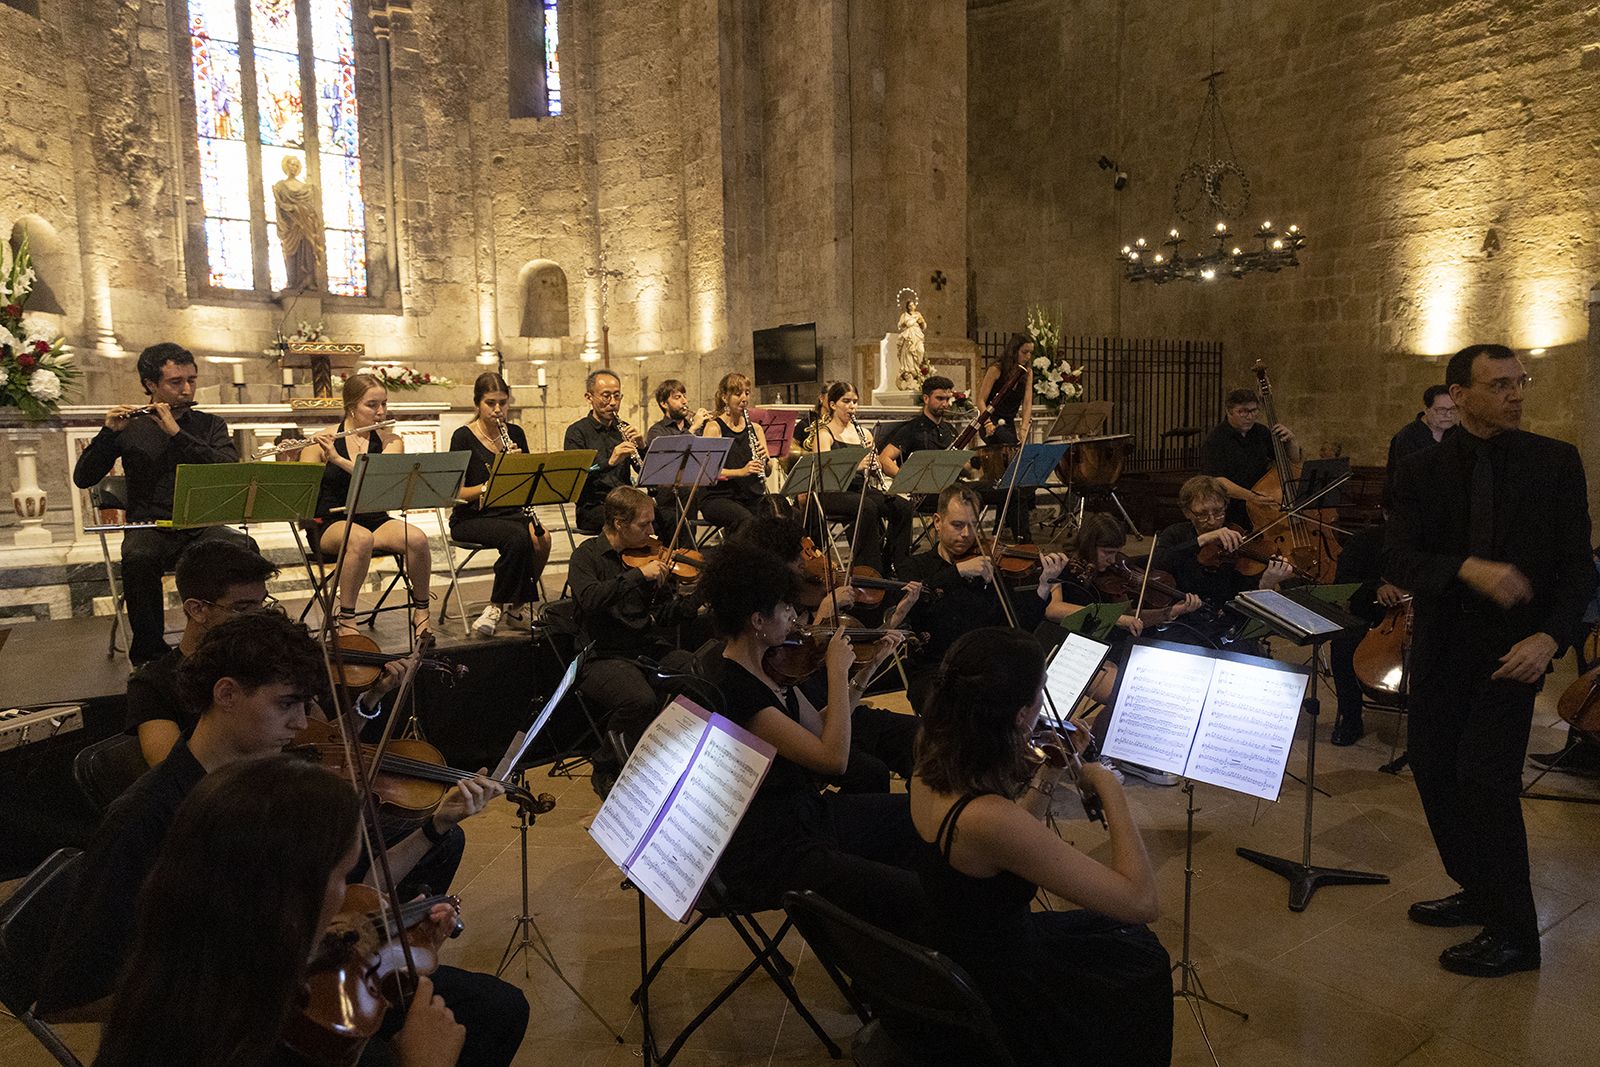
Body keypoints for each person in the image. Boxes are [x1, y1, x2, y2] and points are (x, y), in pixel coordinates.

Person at [38, 610, 525, 1067]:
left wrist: (432, 828)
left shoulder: (277, 781)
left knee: (499, 1007)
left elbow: (348, 894)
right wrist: (263, 980)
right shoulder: (146, 818)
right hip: (231, 1030)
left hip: (309, 983)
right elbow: (70, 999)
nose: (300, 722)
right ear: (226, 693)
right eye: (287, 703)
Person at [1384, 342, 1595, 978]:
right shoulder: (1420, 472)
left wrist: (1550, 639)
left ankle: (1515, 933)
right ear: (1461, 395)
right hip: (1445, 648)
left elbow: (1577, 566)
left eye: (1518, 382)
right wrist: (1466, 568)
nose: (1517, 394)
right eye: (1500, 384)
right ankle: (1477, 887)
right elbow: (1397, 560)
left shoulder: (1555, 462)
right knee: (1432, 767)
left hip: (1515, 654)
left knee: (1487, 782)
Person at [92, 757, 468, 1067]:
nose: (348, 896)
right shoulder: (247, 1043)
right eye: (341, 875)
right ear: (289, 892)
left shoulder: (189, 968)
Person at [909, 627, 1170, 1065]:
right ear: (1019, 716)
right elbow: (1141, 900)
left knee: (1120, 940)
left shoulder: (931, 751)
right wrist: (1109, 786)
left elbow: (1008, 843)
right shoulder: (987, 818)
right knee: (1139, 961)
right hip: (1002, 984)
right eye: (1040, 696)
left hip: (966, 942)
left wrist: (1048, 774)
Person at [695, 540, 924, 934]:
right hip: (775, 845)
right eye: (785, 608)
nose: (795, 616)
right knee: (905, 885)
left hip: (801, 817)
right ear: (757, 621)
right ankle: (885, 961)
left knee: (918, 818)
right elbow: (833, 760)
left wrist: (865, 672)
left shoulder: (764, 669)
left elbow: (819, 728)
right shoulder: (736, 690)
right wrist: (834, 673)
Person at [71, 342, 252, 666]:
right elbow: (83, 477)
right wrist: (108, 434)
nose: (186, 389)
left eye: (191, 380)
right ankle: (150, 656)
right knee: (139, 556)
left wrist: (176, 433)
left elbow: (228, 470)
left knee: (243, 546)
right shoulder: (130, 426)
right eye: (176, 382)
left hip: (201, 526)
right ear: (151, 385)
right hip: (150, 526)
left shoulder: (210, 425)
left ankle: (237, 641)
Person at [566, 486, 704, 791]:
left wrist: (697, 599)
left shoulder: (652, 557)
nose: (653, 532)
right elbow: (590, 598)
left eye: (652, 523)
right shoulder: (586, 556)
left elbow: (665, 615)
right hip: (602, 655)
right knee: (639, 699)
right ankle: (605, 764)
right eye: (644, 525)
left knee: (701, 673)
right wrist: (638, 576)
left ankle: (665, 749)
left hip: (646, 648)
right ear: (619, 523)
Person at [897, 485, 1069, 711]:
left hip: (984, 671)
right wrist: (957, 572)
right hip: (935, 672)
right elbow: (915, 600)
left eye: (973, 525)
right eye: (957, 525)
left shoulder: (988, 566)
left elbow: (1016, 627)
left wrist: (1044, 585)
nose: (967, 534)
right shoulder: (915, 566)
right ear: (937, 522)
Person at [300, 373, 437, 647]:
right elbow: (301, 495)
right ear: (351, 406)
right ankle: (347, 619)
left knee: (418, 538)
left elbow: (377, 478)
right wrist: (313, 454)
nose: (381, 411)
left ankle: (421, 611)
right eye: (372, 405)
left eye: (384, 404)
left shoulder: (390, 441)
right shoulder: (321, 441)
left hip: (375, 518)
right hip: (330, 522)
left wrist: (337, 459)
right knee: (360, 538)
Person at [125, 539, 278, 767]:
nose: (258, 618)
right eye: (242, 608)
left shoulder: (266, 662)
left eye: (262, 604)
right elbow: (172, 774)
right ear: (197, 609)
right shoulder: (152, 685)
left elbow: (316, 730)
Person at [449, 373, 553, 637]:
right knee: (518, 538)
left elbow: (529, 483)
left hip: (510, 512)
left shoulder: (515, 433)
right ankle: (495, 606)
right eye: (490, 403)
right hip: (471, 516)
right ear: (477, 405)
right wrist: (492, 481)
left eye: (503, 403)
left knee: (543, 539)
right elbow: (454, 492)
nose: (498, 410)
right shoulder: (462, 437)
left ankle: (517, 608)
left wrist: (518, 467)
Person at [808, 381, 913, 576]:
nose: (852, 406)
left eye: (855, 402)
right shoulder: (824, 434)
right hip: (832, 492)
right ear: (832, 404)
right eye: (846, 401)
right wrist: (857, 466)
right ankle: (868, 571)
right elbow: (823, 474)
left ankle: (895, 563)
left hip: (859, 489)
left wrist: (875, 466)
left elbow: (873, 469)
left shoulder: (863, 433)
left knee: (903, 507)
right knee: (867, 507)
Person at [1151, 475, 1293, 614]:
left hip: (1227, 617)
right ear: (1187, 512)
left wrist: (1266, 583)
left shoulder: (1237, 536)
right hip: (1186, 616)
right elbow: (1158, 563)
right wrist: (1202, 540)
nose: (1212, 521)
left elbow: (1245, 596)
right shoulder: (1175, 533)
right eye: (1202, 514)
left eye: (1218, 512)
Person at [1326, 519, 1409, 747]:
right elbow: (1345, 582)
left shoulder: (1427, 542)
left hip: (1418, 617)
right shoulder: (1365, 541)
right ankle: (1350, 718)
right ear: (1386, 513)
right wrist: (1376, 587)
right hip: (1371, 617)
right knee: (1342, 645)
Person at [1202, 386, 1300, 531]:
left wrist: (1292, 441)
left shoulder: (1261, 432)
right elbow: (1217, 480)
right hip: (1232, 509)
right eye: (1242, 411)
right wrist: (1251, 497)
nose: (1249, 416)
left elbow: (1292, 462)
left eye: (1254, 410)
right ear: (1229, 411)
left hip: (1261, 507)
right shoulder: (1216, 439)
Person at [563, 368, 644, 534]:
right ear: (589, 398)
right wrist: (610, 461)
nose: (613, 402)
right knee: (629, 521)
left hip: (627, 502)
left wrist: (642, 447)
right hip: (593, 506)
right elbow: (575, 478)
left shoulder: (624, 429)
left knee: (667, 516)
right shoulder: (577, 432)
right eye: (606, 396)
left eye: (617, 395)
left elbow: (643, 472)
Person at [697, 371, 773, 533]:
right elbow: (707, 472)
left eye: (746, 393)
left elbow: (767, 472)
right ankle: (738, 558)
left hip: (751, 496)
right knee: (746, 521)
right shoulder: (714, 428)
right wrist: (741, 472)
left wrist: (765, 460)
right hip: (719, 497)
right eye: (738, 394)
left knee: (783, 514)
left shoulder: (756, 429)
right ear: (725, 397)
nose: (744, 398)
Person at [1383, 384, 1456, 507]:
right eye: (1441, 410)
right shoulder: (1408, 437)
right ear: (1427, 410)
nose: (1448, 415)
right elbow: (1402, 480)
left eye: (1453, 409)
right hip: (1412, 504)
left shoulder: (1456, 434)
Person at [877, 374, 957, 480]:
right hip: (925, 488)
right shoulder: (911, 429)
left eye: (947, 399)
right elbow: (884, 458)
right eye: (940, 398)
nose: (945, 404)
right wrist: (907, 480)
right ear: (926, 399)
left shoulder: (950, 429)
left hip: (951, 485)